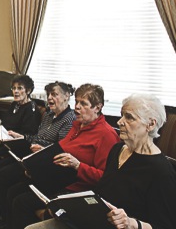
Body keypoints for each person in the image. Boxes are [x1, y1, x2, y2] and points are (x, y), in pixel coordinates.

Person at [25, 94, 176, 229]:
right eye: (122, 115)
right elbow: (103, 190)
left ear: (150, 125)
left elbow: (165, 225)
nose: (120, 121)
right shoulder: (117, 149)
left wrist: (131, 223)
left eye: (129, 117)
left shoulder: (161, 170)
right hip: (94, 219)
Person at [7, 83, 121, 229]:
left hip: (75, 189)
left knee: (21, 201)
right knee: (14, 189)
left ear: (97, 108)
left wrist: (78, 165)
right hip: (57, 179)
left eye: (83, 104)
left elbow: (105, 178)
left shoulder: (106, 135)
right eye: (77, 102)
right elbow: (59, 151)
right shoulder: (77, 125)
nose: (77, 107)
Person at [0, 81, 76, 227]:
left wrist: (42, 148)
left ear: (67, 96)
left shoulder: (69, 119)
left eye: (55, 95)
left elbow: (60, 148)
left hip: (46, 162)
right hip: (32, 154)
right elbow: (36, 137)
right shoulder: (49, 114)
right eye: (49, 95)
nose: (50, 99)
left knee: (4, 174)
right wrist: (20, 137)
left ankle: (4, 219)